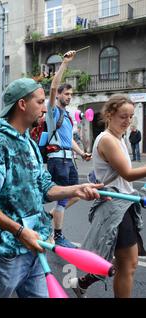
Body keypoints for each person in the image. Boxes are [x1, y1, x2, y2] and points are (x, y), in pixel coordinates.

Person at [0, 78, 103, 298]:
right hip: (6, 252)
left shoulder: (28, 141)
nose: (44, 107)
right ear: (22, 104)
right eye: (40, 102)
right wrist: (19, 232)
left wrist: (76, 189)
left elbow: (44, 187)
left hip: (35, 244)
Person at [69, 95, 146, 298]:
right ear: (109, 115)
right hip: (116, 205)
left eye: (130, 116)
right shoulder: (107, 140)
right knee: (128, 265)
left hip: (123, 202)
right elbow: (128, 174)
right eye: (123, 116)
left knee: (125, 262)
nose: (128, 121)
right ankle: (82, 282)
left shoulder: (118, 138)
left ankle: (82, 282)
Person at [45, 50, 92, 248]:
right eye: (67, 94)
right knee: (63, 196)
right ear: (59, 96)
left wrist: (81, 153)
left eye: (71, 94)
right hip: (58, 160)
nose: (69, 97)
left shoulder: (68, 115)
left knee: (76, 193)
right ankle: (57, 235)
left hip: (69, 159)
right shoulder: (53, 111)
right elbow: (54, 86)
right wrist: (65, 63)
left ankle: (50, 214)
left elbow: (68, 139)